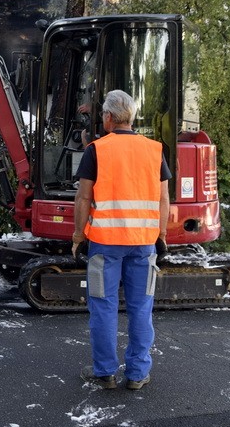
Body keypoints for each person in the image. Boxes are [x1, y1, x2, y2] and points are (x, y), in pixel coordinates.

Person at [71, 90, 171, 391]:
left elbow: (84, 197)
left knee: (103, 306)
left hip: (104, 245)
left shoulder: (96, 150)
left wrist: (78, 236)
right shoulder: (155, 150)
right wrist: (161, 236)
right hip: (143, 245)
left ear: (109, 117)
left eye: (102, 115)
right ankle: (138, 374)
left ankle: (105, 373)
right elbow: (164, 198)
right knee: (141, 307)